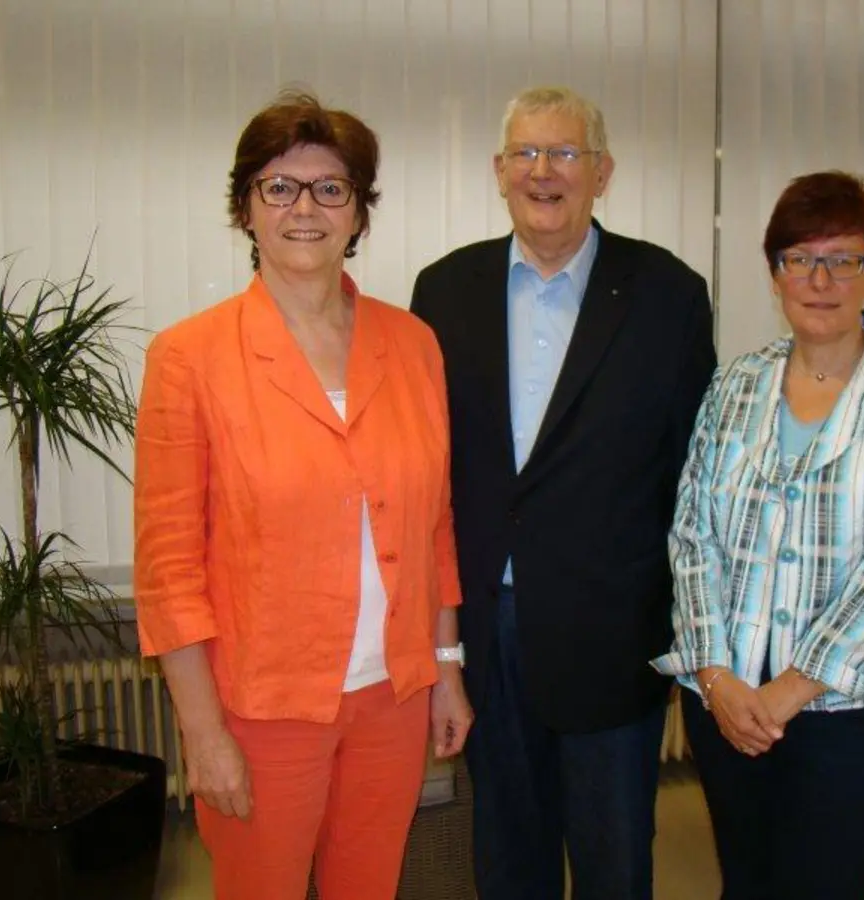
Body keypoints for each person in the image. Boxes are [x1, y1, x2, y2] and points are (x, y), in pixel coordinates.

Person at [133, 90, 473, 900]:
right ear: (245, 210)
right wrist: (203, 733)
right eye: (278, 187)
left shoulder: (413, 344)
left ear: (358, 214)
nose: (305, 208)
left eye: (330, 188)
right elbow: (168, 568)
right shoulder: (191, 357)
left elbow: (435, 526)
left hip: (393, 695)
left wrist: (447, 668)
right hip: (262, 706)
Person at [410, 86, 716, 900]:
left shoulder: (668, 294)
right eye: (526, 153)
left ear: (603, 171)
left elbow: (694, 478)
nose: (544, 171)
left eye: (566, 153)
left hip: (610, 632)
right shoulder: (443, 293)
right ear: (499, 171)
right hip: (487, 628)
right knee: (508, 853)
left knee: (616, 860)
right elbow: (429, 471)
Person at [652, 171, 864, 899]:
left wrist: (793, 688)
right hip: (727, 702)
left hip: (851, 708)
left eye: (843, 259)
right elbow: (692, 534)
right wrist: (715, 675)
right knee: (747, 883)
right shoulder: (736, 384)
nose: (820, 279)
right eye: (800, 258)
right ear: (775, 274)